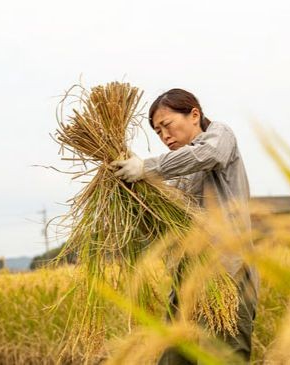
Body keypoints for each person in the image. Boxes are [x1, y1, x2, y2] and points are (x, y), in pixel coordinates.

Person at [111, 89, 259, 363]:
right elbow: (163, 229)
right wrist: (133, 196)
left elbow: (208, 154)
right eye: (157, 132)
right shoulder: (176, 172)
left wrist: (146, 168)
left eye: (167, 125)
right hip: (185, 286)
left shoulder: (219, 136)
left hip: (228, 277)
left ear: (194, 114)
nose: (164, 136)